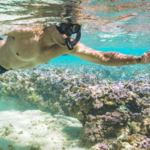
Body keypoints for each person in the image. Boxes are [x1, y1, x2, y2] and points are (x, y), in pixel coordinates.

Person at [0, 23, 149, 74]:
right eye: (65, 28)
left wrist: (136, 60)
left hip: (9, 66)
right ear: (52, 25)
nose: (68, 35)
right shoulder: (25, 33)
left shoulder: (67, 46)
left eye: (73, 29)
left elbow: (103, 57)